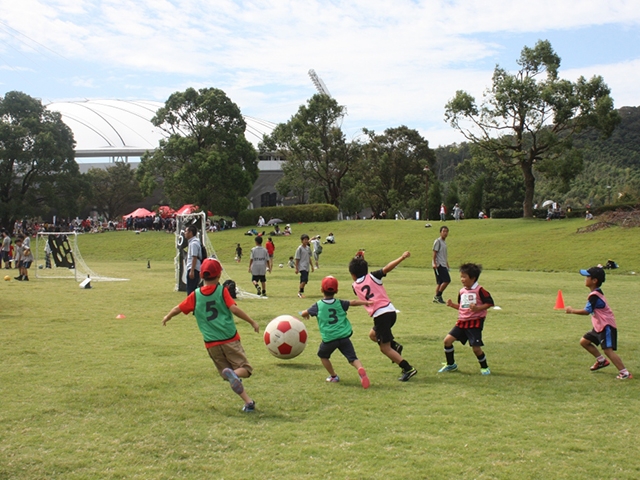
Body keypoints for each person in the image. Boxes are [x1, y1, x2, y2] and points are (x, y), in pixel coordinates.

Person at [163, 258, 260, 412]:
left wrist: (167, 317)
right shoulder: (222, 291)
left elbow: (178, 308)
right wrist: (252, 322)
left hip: (211, 344)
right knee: (245, 369)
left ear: (202, 275)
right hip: (229, 339)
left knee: (228, 377)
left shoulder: (195, 295)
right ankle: (235, 375)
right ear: (219, 274)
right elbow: (234, 309)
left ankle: (248, 403)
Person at [349, 251, 417, 382]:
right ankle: (395, 346)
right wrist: (402, 257)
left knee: (384, 348)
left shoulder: (354, 286)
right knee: (372, 335)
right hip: (390, 312)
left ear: (352, 274)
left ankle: (408, 368)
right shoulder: (373, 276)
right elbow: (387, 268)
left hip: (381, 315)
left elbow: (361, 278)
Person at [300, 276, 371, 388]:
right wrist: (366, 302)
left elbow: (305, 313)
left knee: (323, 356)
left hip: (329, 339)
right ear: (336, 290)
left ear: (321, 290)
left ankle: (333, 376)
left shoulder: (318, 305)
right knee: (353, 358)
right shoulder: (340, 303)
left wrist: (304, 314)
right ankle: (360, 369)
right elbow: (353, 302)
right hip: (344, 337)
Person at [565, 267, 632, 380]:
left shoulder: (594, 296)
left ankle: (625, 373)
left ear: (594, 280)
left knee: (607, 350)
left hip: (606, 326)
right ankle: (601, 361)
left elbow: (586, 312)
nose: (585, 279)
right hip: (599, 326)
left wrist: (571, 310)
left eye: (587, 277)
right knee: (584, 342)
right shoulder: (595, 293)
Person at [439, 263, 494, 375]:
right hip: (461, 322)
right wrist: (452, 305)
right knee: (447, 341)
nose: (462, 279)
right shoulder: (462, 291)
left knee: (476, 349)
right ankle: (451, 365)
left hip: (475, 322)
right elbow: (462, 307)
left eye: (464, 277)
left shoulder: (480, 290)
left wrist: (478, 308)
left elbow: (490, 303)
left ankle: (484, 367)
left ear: (473, 278)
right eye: (461, 276)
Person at [432, 226, 450, 304]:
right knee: (447, 280)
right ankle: (438, 296)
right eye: (444, 231)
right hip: (439, 264)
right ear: (440, 232)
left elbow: (443, 254)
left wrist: (447, 263)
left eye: (446, 231)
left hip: (443, 264)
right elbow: (434, 253)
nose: (445, 233)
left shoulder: (444, 242)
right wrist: (434, 263)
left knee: (440, 282)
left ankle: (437, 298)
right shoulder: (438, 241)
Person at [184, 225, 202, 296]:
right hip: (194, 268)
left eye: (186, 231)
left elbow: (194, 257)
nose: (185, 233)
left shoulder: (194, 243)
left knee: (191, 291)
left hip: (193, 269)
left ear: (190, 232)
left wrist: (192, 270)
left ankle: (192, 306)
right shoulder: (193, 242)